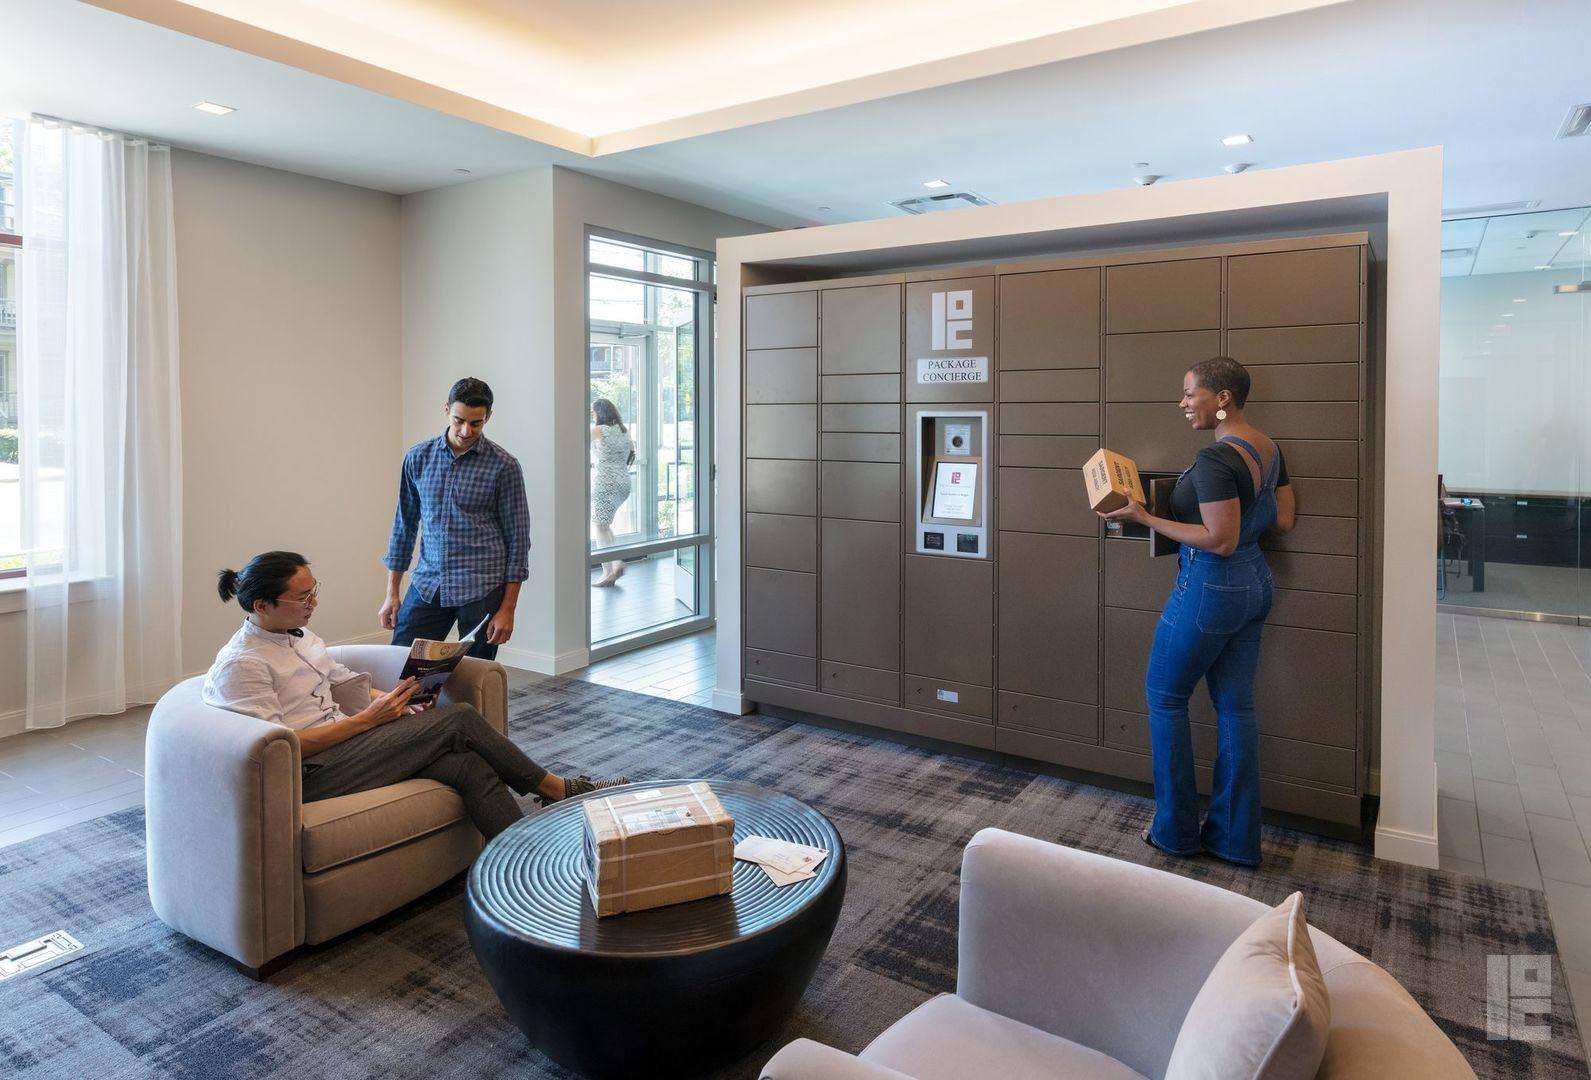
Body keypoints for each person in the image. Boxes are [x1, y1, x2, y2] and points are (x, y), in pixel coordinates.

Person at [204, 551, 626, 840]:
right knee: (458, 719)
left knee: (464, 766)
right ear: (262, 605)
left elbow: (345, 686)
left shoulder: (302, 636)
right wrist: (369, 721)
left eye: (315, 590)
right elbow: (276, 746)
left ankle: (524, 858)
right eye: (302, 597)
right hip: (311, 771)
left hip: (347, 740)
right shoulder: (243, 663)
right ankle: (558, 789)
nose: (313, 602)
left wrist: (396, 699)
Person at [1098, 356, 1296, 867]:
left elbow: (1220, 540)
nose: (1184, 404)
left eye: (1191, 394)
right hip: (1256, 585)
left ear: (1222, 398)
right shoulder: (1270, 448)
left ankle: (1176, 832)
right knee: (1236, 707)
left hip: (1211, 587)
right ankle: (1233, 839)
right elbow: (1285, 519)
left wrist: (1145, 516)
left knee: (1164, 698)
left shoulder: (1214, 461)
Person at [381, 377, 528, 660]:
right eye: (458, 420)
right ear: (446, 408)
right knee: (400, 665)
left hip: (483, 587)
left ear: (488, 417)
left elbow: (518, 540)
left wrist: (507, 609)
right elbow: (404, 526)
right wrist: (392, 592)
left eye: (476, 423)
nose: (465, 430)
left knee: (473, 677)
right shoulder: (418, 458)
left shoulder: (504, 466)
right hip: (428, 582)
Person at [589, 398, 634, 587]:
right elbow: (630, 454)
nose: (592, 416)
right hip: (623, 482)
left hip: (605, 482)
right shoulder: (624, 431)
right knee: (605, 525)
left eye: (593, 413)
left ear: (599, 413)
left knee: (599, 526)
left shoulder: (598, 431)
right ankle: (616, 562)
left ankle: (608, 571)